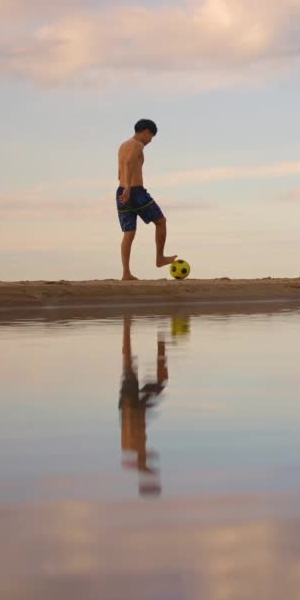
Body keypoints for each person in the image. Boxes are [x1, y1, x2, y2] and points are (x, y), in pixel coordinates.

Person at [116, 119, 176, 280]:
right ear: (146, 132)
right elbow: (129, 163)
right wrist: (129, 187)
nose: (150, 141)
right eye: (151, 136)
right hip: (135, 192)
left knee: (129, 232)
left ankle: (126, 273)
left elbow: (119, 172)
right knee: (161, 221)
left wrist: (124, 188)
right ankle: (160, 258)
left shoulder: (122, 146)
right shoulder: (137, 145)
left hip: (121, 192)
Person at [119, 314, 168, 497]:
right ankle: (160, 339)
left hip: (130, 405)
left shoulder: (131, 449)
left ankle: (127, 325)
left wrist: (145, 470)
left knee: (129, 365)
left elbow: (131, 425)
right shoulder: (135, 450)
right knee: (158, 378)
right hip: (136, 407)